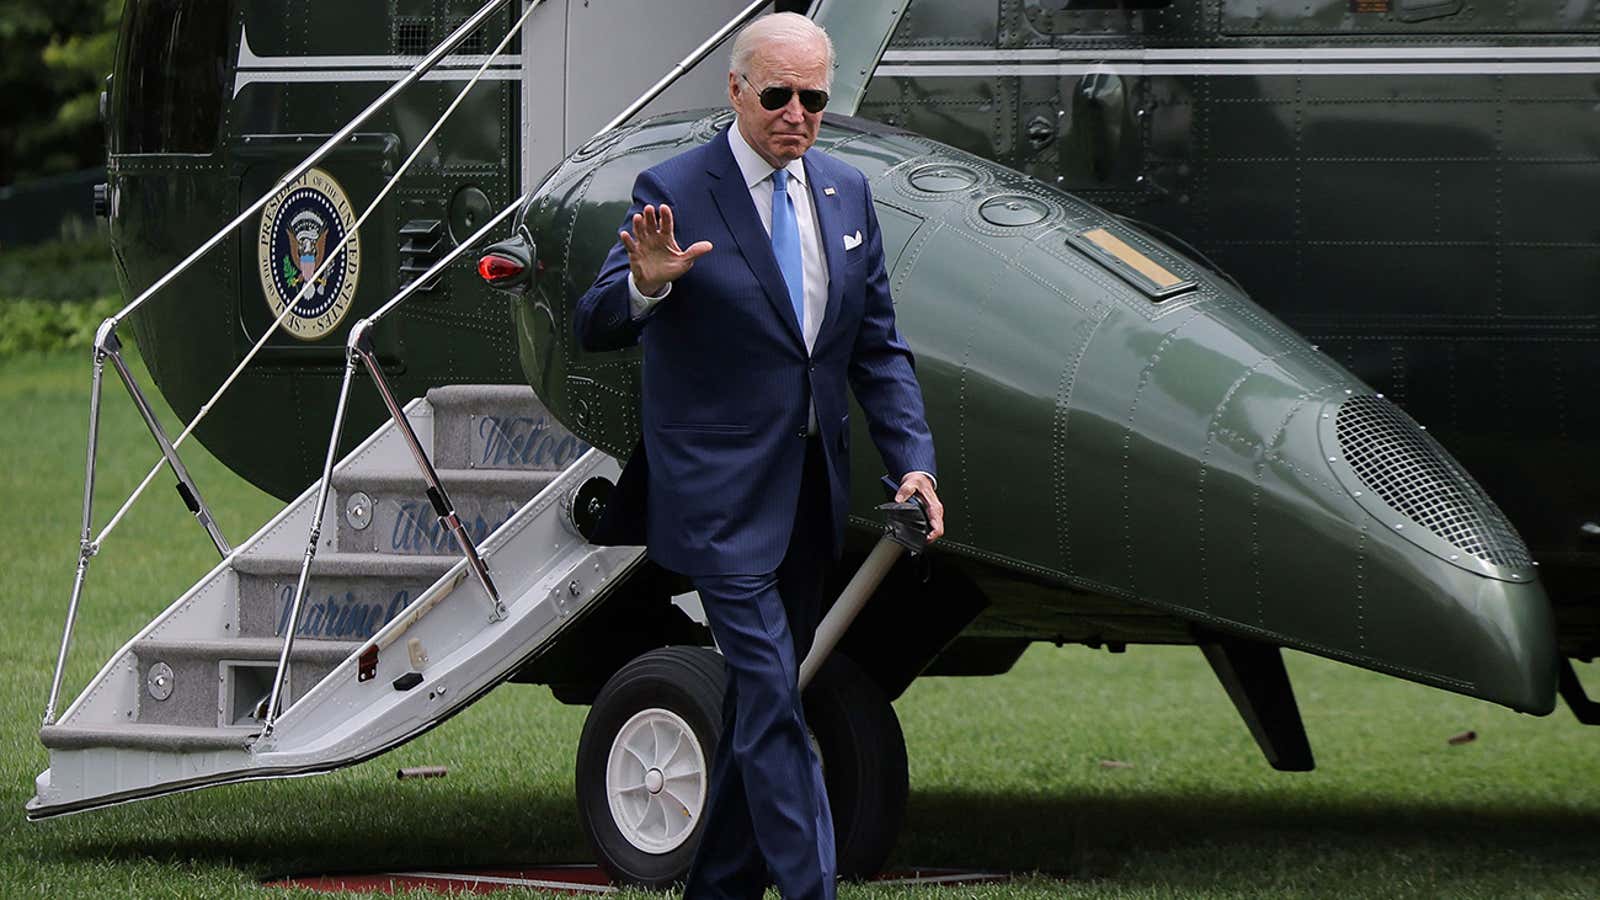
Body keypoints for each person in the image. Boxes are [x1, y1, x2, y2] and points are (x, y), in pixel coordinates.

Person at [573, 12, 944, 900]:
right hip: (716, 503)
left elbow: (877, 351)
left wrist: (914, 464)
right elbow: (592, 319)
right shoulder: (674, 188)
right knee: (776, 702)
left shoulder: (848, 195)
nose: (796, 114)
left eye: (813, 97)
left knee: (755, 703)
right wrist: (644, 284)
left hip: (812, 498)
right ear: (735, 90)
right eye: (777, 94)